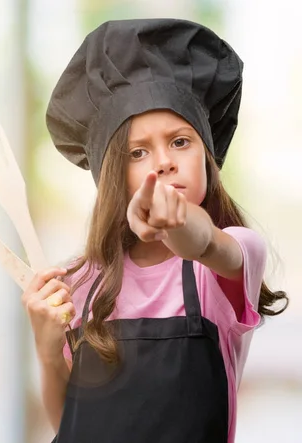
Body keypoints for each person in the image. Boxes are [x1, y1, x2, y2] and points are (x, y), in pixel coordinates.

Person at [21, 18, 288, 443]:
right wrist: (46, 348)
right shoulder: (81, 282)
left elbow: (201, 240)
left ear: (207, 156)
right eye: (138, 151)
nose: (163, 161)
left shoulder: (231, 256)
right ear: (111, 176)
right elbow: (66, 424)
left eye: (180, 141)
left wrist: (174, 224)